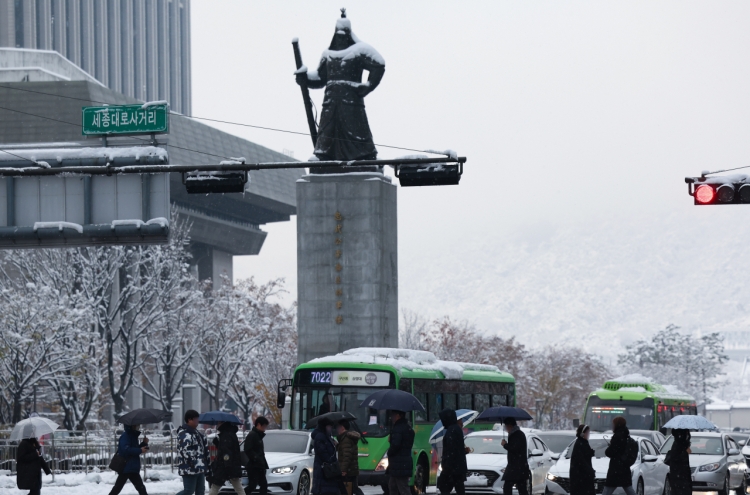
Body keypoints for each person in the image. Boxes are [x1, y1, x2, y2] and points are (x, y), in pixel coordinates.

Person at [295, 10, 386, 163]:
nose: (341, 39)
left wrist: (368, 85)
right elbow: (320, 77)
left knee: (356, 132)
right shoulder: (327, 54)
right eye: (339, 36)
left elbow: (379, 64)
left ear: (349, 35)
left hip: (351, 101)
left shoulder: (359, 50)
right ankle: (325, 156)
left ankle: (363, 157)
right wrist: (305, 78)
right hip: (330, 103)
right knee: (327, 134)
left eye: (344, 36)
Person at [109, 424, 149, 495]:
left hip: (132, 467)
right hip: (126, 467)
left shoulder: (133, 436)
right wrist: (140, 450)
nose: (138, 427)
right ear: (131, 426)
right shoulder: (125, 436)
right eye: (136, 425)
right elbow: (126, 450)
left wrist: (144, 443)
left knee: (141, 488)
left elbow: (134, 449)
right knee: (117, 488)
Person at [176, 409, 210, 495]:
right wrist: (194, 463)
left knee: (200, 491)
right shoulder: (184, 434)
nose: (197, 421)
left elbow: (203, 449)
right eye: (195, 419)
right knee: (188, 491)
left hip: (200, 468)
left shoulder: (197, 433)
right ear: (189, 420)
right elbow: (186, 451)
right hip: (189, 469)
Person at [437, 409, 468, 495]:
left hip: (452, 468)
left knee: (444, 487)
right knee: (459, 488)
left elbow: (451, 450)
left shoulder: (451, 430)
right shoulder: (456, 428)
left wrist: (446, 467)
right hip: (457, 467)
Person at [603, 417, 636, 495]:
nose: (612, 426)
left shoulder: (617, 436)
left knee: (608, 488)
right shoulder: (626, 435)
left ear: (617, 425)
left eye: (613, 424)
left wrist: (609, 447)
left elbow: (610, 452)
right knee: (628, 487)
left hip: (616, 468)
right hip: (624, 467)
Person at [208, 421, 244, 495]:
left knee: (215, 486)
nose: (217, 425)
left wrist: (227, 465)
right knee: (238, 487)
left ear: (222, 424)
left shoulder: (226, 435)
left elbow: (227, 452)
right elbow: (227, 449)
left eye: (219, 423)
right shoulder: (231, 433)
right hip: (231, 465)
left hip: (225, 466)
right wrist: (218, 443)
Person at [500, 417, 530, 495]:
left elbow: (515, 449)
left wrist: (505, 445)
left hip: (516, 467)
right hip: (518, 467)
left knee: (508, 487)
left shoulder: (517, 435)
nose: (506, 429)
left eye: (506, 426)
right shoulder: (516, 434)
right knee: (521, 487)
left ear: (510, 425)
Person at [311, 418, 341, 495]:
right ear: (324, 426)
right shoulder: (320, 437)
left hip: (327, 470)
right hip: (324, 470)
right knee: (325, 490)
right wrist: (331, 461)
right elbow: (323, 453)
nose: (330, 429)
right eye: (329, 426)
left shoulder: (326, 437)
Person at [16, 426, 47, 495]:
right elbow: (22, 458)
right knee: (35, 492)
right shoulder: (24, 444)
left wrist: (46, 469)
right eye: (33, 431)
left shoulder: (34, 443)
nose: (34, 433)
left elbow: (39, 457)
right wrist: (35, 454)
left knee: (36, 491)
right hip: (29, 473)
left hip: (35, 473)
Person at [245, 416, 270, 495]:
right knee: (253, 485)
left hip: (259, 465)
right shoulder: (253, 435)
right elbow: (248, 449)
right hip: (254, 466)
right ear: (258, 425)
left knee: (263, 485)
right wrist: (257, 459)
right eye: (264, 426)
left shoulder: (258, 435)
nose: (265, 428)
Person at [336, 419, 361, 495]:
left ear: (342, 427)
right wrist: (337, 445)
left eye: (338, 427)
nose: (337, 429)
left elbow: (347, 456)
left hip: (349, 470)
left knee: (350, 489)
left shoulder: (346, 439)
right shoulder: (346, 438)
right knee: (353, 488)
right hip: (352, 469)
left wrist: (343, 470)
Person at [570, 424, 596, 495]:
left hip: (582, 476)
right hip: (581, 477)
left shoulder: (583, 442)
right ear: (582, 433)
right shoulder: (580, 443)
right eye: (587, 433)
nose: (588, 435)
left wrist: (590, 453)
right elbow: (581, 460)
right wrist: (590, 471)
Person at [664, 429, 692, 495]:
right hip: (681, 478)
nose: (688, 436)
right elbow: (681, 461)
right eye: (687, 433)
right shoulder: (681, 445)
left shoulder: (678, 444)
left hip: (677, 478)